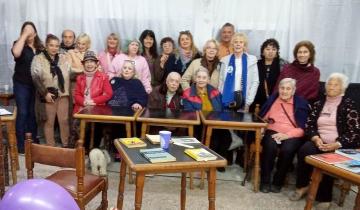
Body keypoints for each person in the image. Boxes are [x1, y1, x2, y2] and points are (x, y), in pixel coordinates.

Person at [289, 73, 360, 209]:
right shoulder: (319, 103)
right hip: (319, 140)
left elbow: (355, 131)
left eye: (336, 84)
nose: (331, 87)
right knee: (305, 150)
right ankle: (302, 186)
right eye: (329, 84)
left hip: (339, 144)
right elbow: (309, 125)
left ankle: (324, 197)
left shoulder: (349, 104)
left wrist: (337, 143)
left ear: (343, 88)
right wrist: (315, 138)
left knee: (329, 158)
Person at [259, 78, 309, 193]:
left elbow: (304, 128)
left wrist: (287, 135)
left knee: (288, 149)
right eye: (282, 88)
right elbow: (262, 118)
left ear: (293, 90)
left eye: (288, 89)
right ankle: (265, 181)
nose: (284, 91)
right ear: (278, 89)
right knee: (269, 146)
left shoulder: (301, 103)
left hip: (292, 134)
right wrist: (261, 128)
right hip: (272, 130)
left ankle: (278, 181)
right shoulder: (272, 100)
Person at [182, 67, 230, 171]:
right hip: (198, 124)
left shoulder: (215, 92)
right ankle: (207, 163)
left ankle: (218, 162)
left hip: (215, 122)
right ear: (195, 79)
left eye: (204, 77)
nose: (201, 80)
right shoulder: (187, 93)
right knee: (213, 139)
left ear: (208, 79)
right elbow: (189, 112)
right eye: (199, 77)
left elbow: (222, 108)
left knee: (226, 137)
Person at [31, 34, 71, 147]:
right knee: (49, 122)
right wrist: (44, 93)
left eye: (57, 46)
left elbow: (71, 72)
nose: (54, 48)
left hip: (63, 94)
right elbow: (35, 78)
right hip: (48, 94)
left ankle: (66, 145)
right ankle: (50, 146)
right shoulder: (38, 58)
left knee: (64, 121)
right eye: (51, 45)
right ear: (46, 45)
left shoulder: (63, 58)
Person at [11, 21, 44, 153]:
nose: (28, 32)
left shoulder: (40, 48)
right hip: (21, 84)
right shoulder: (18, 44)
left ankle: (32, 143)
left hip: (35, 85)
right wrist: (23, 36)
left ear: (35, 33)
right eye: (25, 30)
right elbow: (16, 53)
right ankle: (19, 145)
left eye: (30, 30)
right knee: (23, 112)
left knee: (32, 114)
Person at [218, 32, 259, 113]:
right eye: (236, 42)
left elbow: (255, 82)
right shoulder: (225, 60)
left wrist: (248, 102)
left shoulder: (252, 60)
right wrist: (221, 96)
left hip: (243, 100)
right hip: (226, 99)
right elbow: (221, 81)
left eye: (241, 42)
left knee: (239, 124)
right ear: (232, 45)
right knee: (225, 124)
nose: (238, 44)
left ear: (244, 45)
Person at [251, 38, 288, 112]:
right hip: (256, 102)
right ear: (263, 52)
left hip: (276, 101)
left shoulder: (283, 65)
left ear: (277, 52)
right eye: (267, 49)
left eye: (274, 49)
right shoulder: (255, 64)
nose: (270, 52)